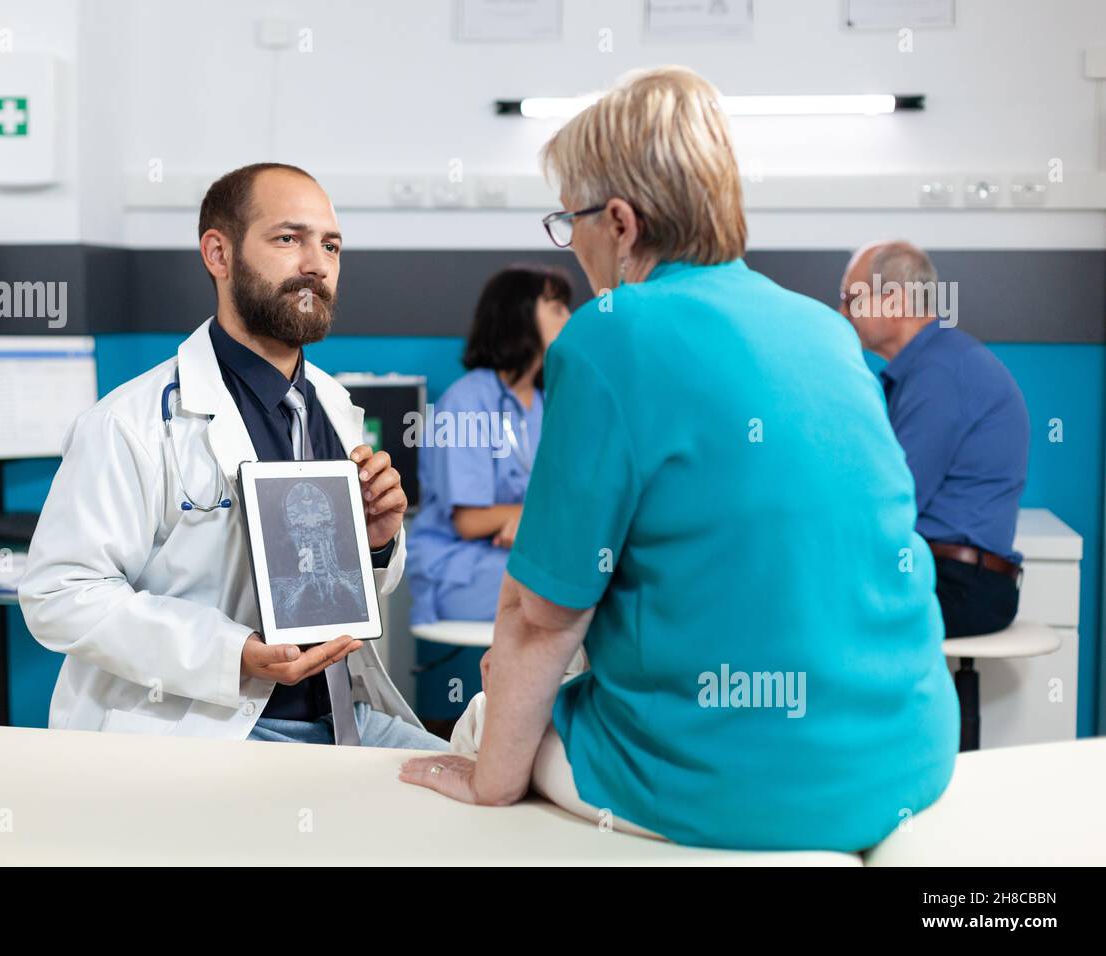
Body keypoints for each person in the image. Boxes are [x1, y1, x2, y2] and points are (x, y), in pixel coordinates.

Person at [400, 66, 958, 853]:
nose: (574, 243)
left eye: (572, 220)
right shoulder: (825, 332)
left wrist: (489, 781)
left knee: (489, 718)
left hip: (739, 788)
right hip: (910, 755)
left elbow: (541, 616)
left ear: (620, 223)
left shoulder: (607, 332)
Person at [20, 162, 446, 751]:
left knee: (483, 802)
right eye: (287, 239)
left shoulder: (335, 407)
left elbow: (347, 594)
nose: (316, 264)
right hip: (206, 724)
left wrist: (375, 544)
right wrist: (233, 654)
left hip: (343, 717)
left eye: (330, 245)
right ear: (218, 255)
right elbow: (60, 594)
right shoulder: (132, 422)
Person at [840, 241, 1030, 637]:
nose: (842, 313)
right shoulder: (933, 367)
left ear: (892, 300)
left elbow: (894, 497)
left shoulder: (938, 374)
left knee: (809, 603)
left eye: (850, 298)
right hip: (954, 574)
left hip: (960, 585)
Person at [407, 265, 572, 626]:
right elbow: (469, 521)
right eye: (557, 308)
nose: (570, 318)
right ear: (520, 314)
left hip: (519, 555)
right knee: (574, 586)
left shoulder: (547, 403)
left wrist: (527, 523)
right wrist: (531, 519)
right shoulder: (465, 401)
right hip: (458, 568)